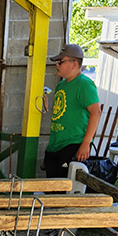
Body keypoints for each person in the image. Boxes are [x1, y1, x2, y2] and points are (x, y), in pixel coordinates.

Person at [43, 43, 101, 178]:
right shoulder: (61, 85)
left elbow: (96, 112)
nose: (57, 65)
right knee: (51, 189)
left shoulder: (84, 84)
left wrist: (86, 143)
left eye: (60, 62)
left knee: (65, 190)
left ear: (74, 64)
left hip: (73, 144)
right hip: (55, 144)